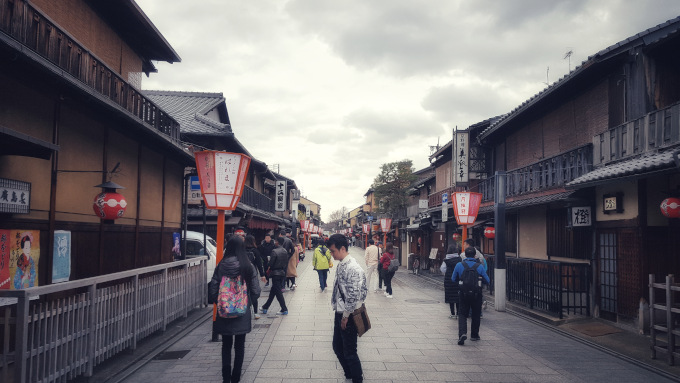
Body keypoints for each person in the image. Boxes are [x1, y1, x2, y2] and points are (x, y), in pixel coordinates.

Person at [208, 235, 261, 383]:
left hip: (224, 311)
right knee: (239, 345)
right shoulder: (247, 265)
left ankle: (226, 378)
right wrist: (246, 302)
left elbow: (213, 289)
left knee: (226, 345)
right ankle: (236, 377)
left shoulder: (221, 265)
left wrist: (220, 303)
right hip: (242, 311)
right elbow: (256, 290)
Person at [328, 234, 367, 383]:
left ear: (342, 248)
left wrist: (345, 316)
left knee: (350, 351)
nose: (332, 255)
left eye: (333, 251)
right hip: (340, 312)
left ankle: (356, 379)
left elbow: (355, 294)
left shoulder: (353, 268)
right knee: (337, 347)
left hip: (349, 315)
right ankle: (349, 375)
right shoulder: (341, 264)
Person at [452, 246, 490, 345]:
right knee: (476, 314)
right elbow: (488, 280)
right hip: (477, 294)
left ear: (465, 254)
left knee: (462, 313)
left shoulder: (459, 265)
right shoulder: (479, 266)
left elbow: (453, 279)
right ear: (475, 255)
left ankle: (462, 333)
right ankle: (474, 335)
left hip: (463, 293)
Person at [260, 237, 289, 315]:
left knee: (278, 292)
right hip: (282, 272)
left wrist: (268, 264)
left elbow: (271, 264)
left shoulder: (274, 251)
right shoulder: (285, 251)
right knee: (273, 291)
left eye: (275, 241)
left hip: (275, 273)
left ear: (277, 242)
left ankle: (284, 309)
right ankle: (265, 307)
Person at [245, 235, 266, 319]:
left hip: (243, 275)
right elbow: (259, 264)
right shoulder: (255, 251)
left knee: (244, 293)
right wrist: (262, 275)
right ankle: (256, 312)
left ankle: (245, 311)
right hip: (253, 275)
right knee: (254, 292)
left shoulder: (241, 250)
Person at [441, 244, 462, 319]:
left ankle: (452, 314)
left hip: (448, 280)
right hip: (458, 279)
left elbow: (442, 269)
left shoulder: (446, 260)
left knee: (450, 297)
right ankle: (458, 313)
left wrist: (447, 272)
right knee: (458, 297)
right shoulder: (460, 259)